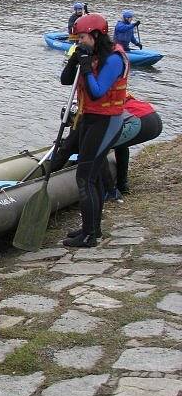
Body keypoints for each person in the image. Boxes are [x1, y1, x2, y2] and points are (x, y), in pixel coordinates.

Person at [59, 13, 129, 248]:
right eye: (77, 38)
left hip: (107, 122)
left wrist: (87, 67)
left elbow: (98, 91)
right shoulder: (88, 52)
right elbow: (65, 81)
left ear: (96, 35)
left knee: (84, 177)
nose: (80, 41)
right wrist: (74, 61)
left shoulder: (114, 59)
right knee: (93, 176)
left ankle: (89, 236)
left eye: (83, 37)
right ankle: (92, 229)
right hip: (89, 119)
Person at [52, 92, 162, 199]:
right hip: (152, 119)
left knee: (97, 147)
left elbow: (67, 149)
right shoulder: (98, 93)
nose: (72, 126)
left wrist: (52, 170)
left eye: (71, 123)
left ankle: (110, 191)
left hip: (136, 121)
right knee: (119, 144)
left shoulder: (86, 110)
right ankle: (122, 185)